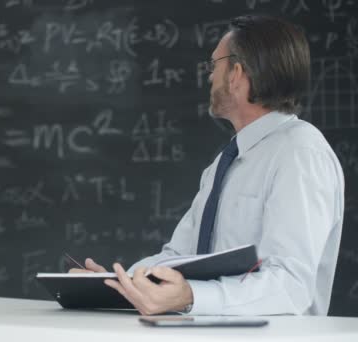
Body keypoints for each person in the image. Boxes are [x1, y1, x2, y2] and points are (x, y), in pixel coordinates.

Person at [70, 15, 345, 316]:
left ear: (236, 74)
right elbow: (179, 256)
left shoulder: (299, 153)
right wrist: (114, 283)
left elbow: (291, 285)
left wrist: (190, 296)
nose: (209, 76)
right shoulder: (226, 163)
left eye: (213, 66)